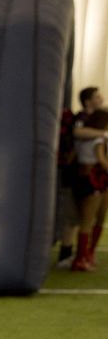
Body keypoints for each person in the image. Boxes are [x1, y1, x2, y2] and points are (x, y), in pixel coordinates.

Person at [71, 104, 108, 270]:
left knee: (89, 219)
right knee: (89, 220)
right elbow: (101, 159)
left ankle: (85, 255)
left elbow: (71, 157)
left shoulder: (81, 138)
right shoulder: (99, 139)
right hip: (94, 179)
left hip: (83, 178)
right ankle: (81, 258)